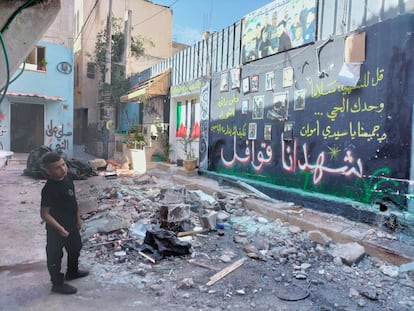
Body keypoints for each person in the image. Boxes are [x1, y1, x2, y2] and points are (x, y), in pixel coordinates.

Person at [40, 151, 89, 294]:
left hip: (72, 224)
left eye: (63, 164)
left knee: (76, 247)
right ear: (49, 171)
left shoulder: (68, 179)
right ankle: (57, 284)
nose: (63, 169)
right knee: (55, 256)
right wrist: (59, 228)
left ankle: (72, 272)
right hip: (56, 229)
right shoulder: (48, 189)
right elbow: (44, 214)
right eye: (57, 167)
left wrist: (78, 219)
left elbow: (73, 202)